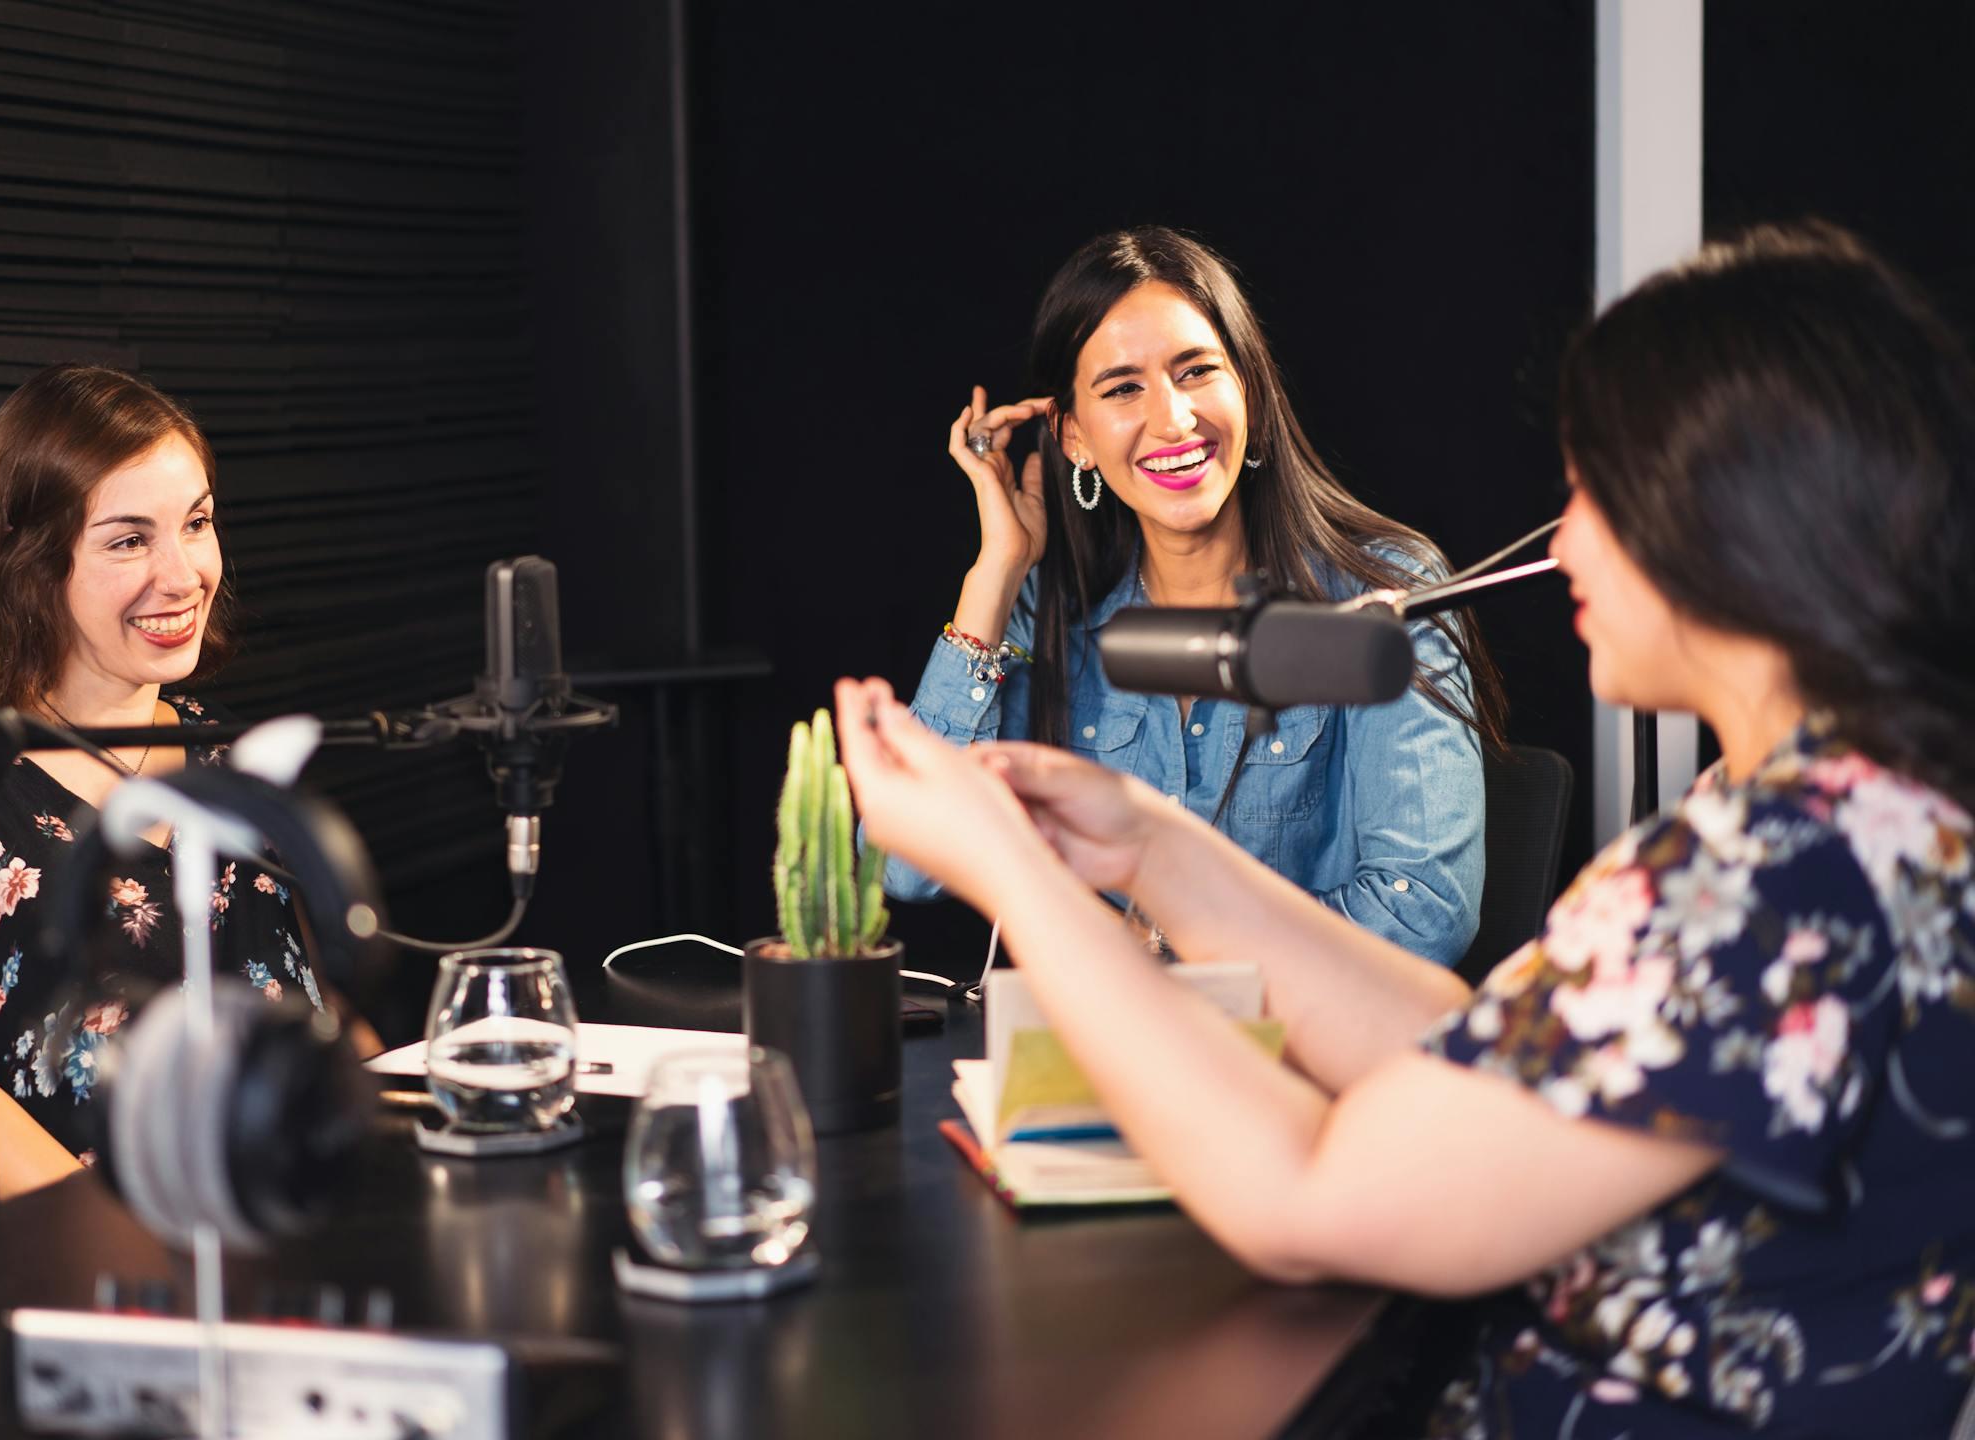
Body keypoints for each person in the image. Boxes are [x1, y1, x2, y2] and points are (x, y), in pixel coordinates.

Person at [836, 222, 1975, 1436]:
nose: (1565, 541)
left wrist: (1023, 872)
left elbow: (1308, 1201)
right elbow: (1481, 1045)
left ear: (1742, 519)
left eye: (1596, 493)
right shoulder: (1856, 825)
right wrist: (1149, 849)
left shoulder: (1771, 887)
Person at [0, 364, 378, 1217]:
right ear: (31, 567)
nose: (184, 573)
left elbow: (317, 1012)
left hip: (274, 1230)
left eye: (195, 523)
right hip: (72, 1263)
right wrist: (138, 1245)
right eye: (128, 540)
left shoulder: (222, 752)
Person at [896, 226, 1504, 966]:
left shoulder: (1384, 591)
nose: (1174, 420)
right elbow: (906, 866)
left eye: (1195, 372)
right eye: (1123, 389)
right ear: (1074, 437)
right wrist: (996, 572)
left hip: (1310, 1061)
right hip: (1111, 1061)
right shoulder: (1054, 617)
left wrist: (1163, 944)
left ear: (1248, 387)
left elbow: (1426, 910)